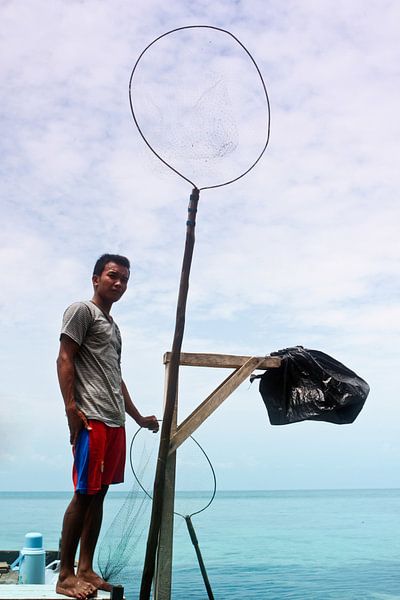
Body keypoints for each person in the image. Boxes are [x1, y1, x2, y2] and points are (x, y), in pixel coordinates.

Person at [56, 254, 159, 599]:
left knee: (99, 495)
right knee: (83, 494)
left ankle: (86, 568)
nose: (118, 283)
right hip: (92, 418)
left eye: (124, 279)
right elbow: (65, 357)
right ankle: (66, 575)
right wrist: (71, 406)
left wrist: (138, 416)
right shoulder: (81, 311)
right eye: (112, 276)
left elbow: (115, 377)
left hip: (114, 421)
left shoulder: (114, 328)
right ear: (96, 278)